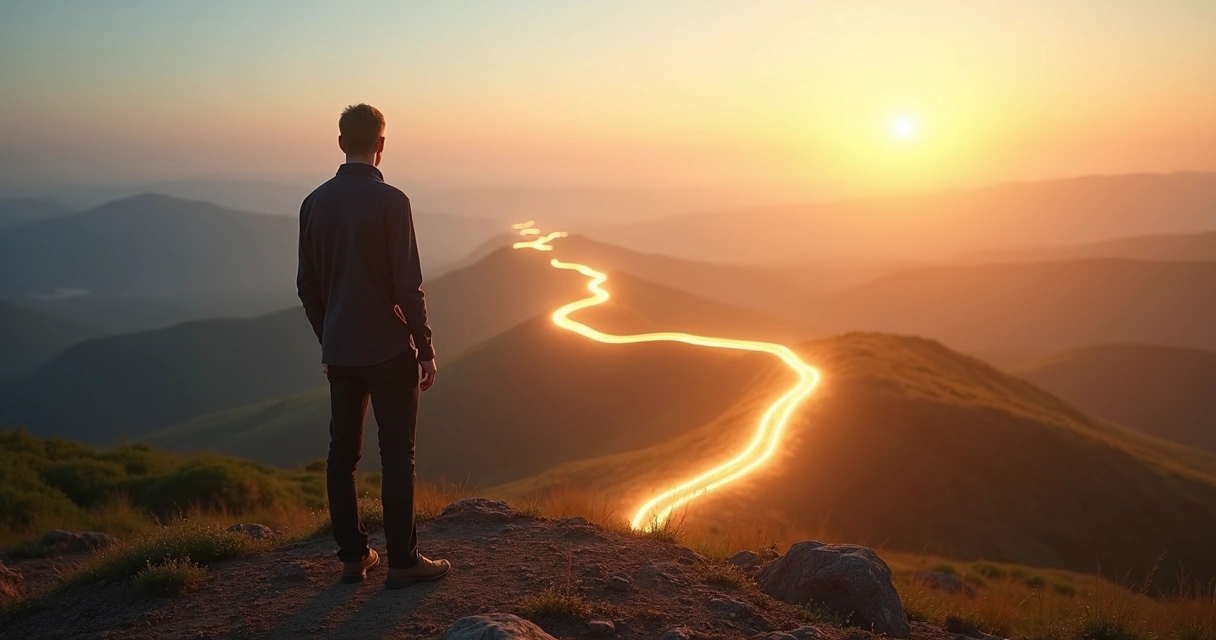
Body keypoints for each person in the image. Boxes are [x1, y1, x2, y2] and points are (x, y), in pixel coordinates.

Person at [297, 103, 450, 589]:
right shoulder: (392, 202)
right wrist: (425, 348)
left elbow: (307, 286)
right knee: (397, 455)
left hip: (341, 352)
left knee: (342, 456)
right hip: (389, 351)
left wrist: (329, 338)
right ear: (381, 145)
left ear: (341, 142)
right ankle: (403, 562)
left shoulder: (313, 203)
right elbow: (408, 287)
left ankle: (353, 557)